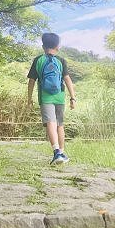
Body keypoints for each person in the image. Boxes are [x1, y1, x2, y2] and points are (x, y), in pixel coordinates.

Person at [26, 32, 76, 165]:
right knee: (59, 125)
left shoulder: (38, 60)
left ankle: (57, 153)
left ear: (43, 46)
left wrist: (29, 99)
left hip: (45, 96)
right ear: (57, 47)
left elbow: (31, 81)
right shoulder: (61, 61)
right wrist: (72, 98)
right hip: (60, 96)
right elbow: (67, 79)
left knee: (50, 123)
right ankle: (62, 153)